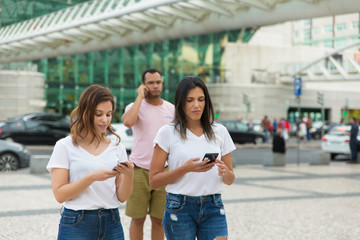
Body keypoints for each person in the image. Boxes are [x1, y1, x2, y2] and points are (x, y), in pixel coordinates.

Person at [149, 76, 236, 240]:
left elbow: (230, 180)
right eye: (190, 100)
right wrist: (185, 169)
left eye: (201, 99)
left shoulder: (220, 131)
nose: (196, 105)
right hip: (179, 207)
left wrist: (226, 172)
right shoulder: (167, 133)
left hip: (214, 205)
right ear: (181, 103)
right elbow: (153, 180)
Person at [46, 84, 134, 240]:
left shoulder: (117, 148)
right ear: (85, 112)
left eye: (108, 114)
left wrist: (129, 175)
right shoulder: (64, 146)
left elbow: (122, 197)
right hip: (76, 223)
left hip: (112, 222)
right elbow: (60, 195)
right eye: (98, 114)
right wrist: (92, 177)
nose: (105, 120)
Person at [121, 68, 175, 240]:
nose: (155, 86)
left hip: (163, 171)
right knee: (137, 219)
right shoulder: (135, 106)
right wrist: (139, 97)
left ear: (162, 83)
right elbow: (128, 122)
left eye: (158, 82)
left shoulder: (171, 109)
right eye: (150, 83)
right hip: (138, 171)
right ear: (143, 85)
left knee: (159, 220)